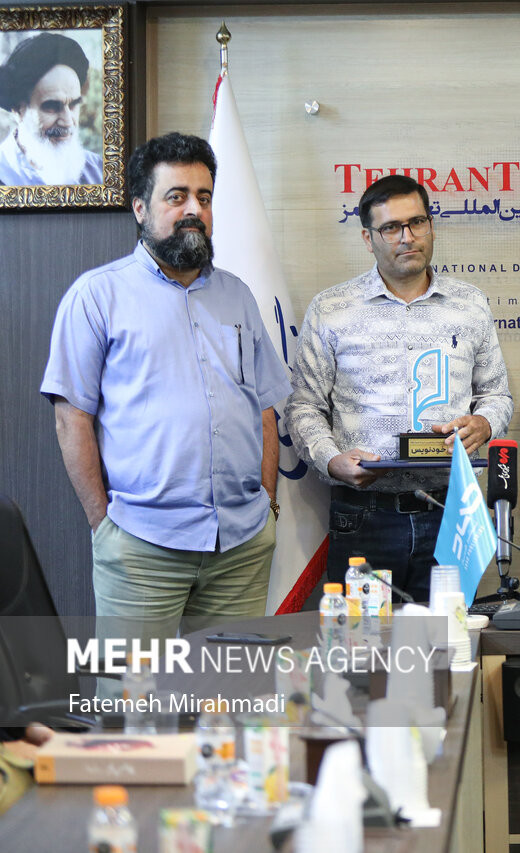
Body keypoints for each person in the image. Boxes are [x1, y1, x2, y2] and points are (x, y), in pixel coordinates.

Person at [41, 133, 290, 646]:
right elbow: (71, 418)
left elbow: (264, 406)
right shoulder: (97, 296)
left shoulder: (238, 295)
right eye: (176, 196)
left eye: (204, 196)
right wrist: (103, 524)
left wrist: (268, 505)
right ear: (140, 208)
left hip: (240, 546)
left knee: (231, 689)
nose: (194, 209)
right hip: (141, 547)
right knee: (134, 693)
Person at [286, 175, 512, 603]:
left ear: (431, 226)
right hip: (364, 516)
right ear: (368, 238)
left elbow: (497, 395)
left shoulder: (470, 304)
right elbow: (304, 406)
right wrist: (332, 460)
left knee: (448, 640)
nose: (407, 237)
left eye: (417, 222)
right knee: (362, 643)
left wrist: (484, 423)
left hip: (450, 513)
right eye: (391, 227)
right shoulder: (332, 309)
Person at [0, 32, 103, 186]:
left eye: (73, 105)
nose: (68, 122)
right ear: (18, 110)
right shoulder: (4, 174)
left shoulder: (98, 171)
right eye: (52, 107)